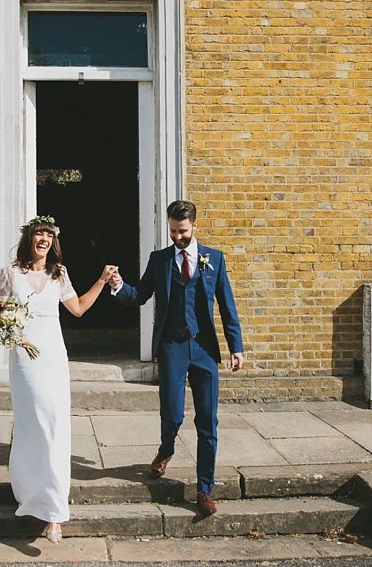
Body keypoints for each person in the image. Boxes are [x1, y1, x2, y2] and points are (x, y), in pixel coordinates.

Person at [108, 200, 244, 516]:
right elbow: (138, 295)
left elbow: (227, 305)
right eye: (172, 231)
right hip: (172, 346)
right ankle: (166, 449)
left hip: (204, 349)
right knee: (173, 414)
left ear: (194, 226)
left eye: (182, 231)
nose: (177, 237)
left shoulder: (215, 259)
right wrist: (118, 286)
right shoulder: (160, 260)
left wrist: (236, 347)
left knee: (208, 421)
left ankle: (205, 490)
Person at [0, 215, 117, 544]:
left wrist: (102, 282)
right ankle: (29, 493)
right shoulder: (10, 272)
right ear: (29, 239)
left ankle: (54, 512)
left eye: (49, 235)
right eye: (39, 234)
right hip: (24, 358)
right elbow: (0, 316)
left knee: (55, 424)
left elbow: (77, 309)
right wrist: (17, 339)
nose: (44, 239)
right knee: (29, 425)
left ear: (54, 242)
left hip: (52, 355)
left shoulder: (58, 273)